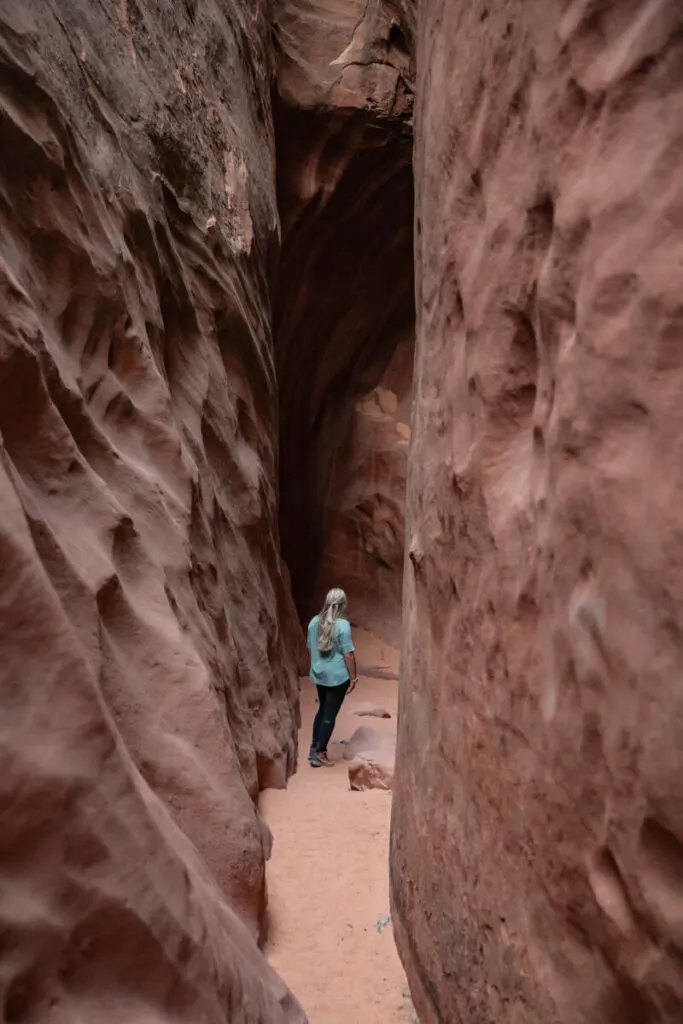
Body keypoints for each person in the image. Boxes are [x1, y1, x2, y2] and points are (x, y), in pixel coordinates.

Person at [307, 587, 358, 767]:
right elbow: (348, 655)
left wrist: (316, 666)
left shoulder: (314, 622)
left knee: (322, 709)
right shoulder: (342, 625)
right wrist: (353, 678)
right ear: (342, 605)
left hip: (319, 674)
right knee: (329, 714)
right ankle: (320, 752)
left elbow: (310, 648)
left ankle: (314, 747)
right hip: (337, 678)